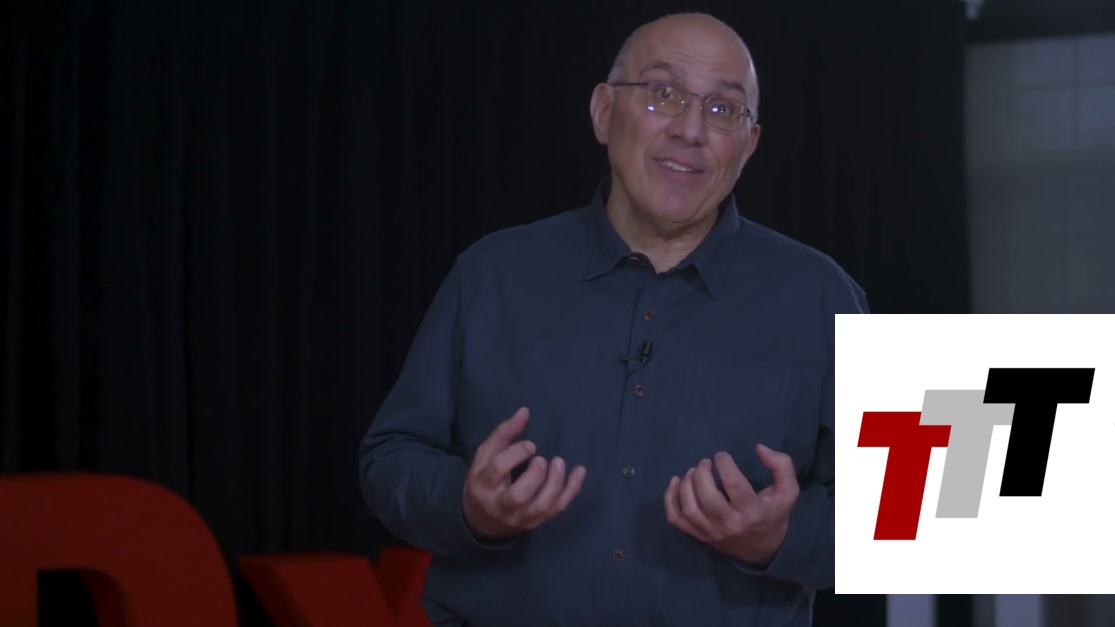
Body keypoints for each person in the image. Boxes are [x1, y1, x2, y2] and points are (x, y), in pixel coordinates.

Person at [359, 11, 868, 627]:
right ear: (603, 112)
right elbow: (390, 457)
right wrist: (468, 506)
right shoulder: (491, 272)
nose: (690, 130)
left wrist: (783, 536)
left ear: (749, 144)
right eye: (663, 95)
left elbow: (919, 515)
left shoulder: (824, 293)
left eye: (722, 109)